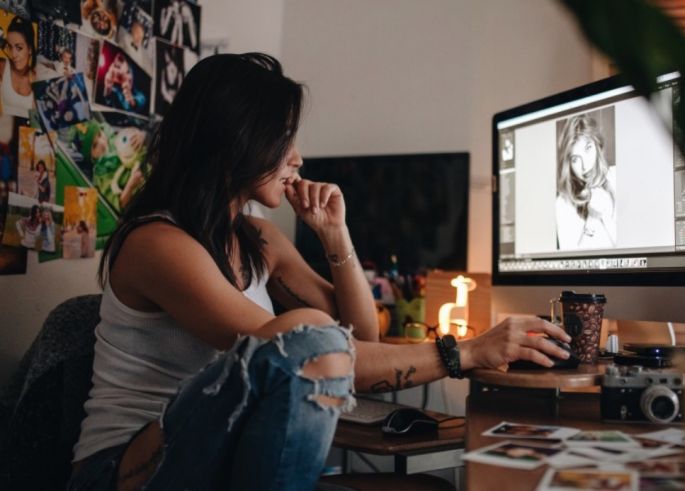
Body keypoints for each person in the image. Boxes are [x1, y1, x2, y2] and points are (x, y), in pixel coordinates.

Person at [68, 53, 569, 491]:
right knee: (302, 331)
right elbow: (303, 348)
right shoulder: (157, 243)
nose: (297, 158)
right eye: (282, 140)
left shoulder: (259, 238)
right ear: (236, 142)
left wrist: (335, 235)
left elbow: (358, 338)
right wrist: (467, 351)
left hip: (219, 458)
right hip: (125, 471)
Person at [554, 113, 616, 249]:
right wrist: (592, 218)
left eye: (588, 148)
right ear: (568, 164)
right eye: (575, 159)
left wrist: (605, 213)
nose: (585, 165)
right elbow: (568, 265)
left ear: (597, 145)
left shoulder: (616, 176)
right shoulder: (563, 203)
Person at [0, 15, 35, 118]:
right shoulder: (3, 66)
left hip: (26, 133)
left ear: (29, 49)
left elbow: (36, 125)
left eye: (19, 48)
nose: (13, 55)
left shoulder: (37, 78)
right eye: (10, 47)